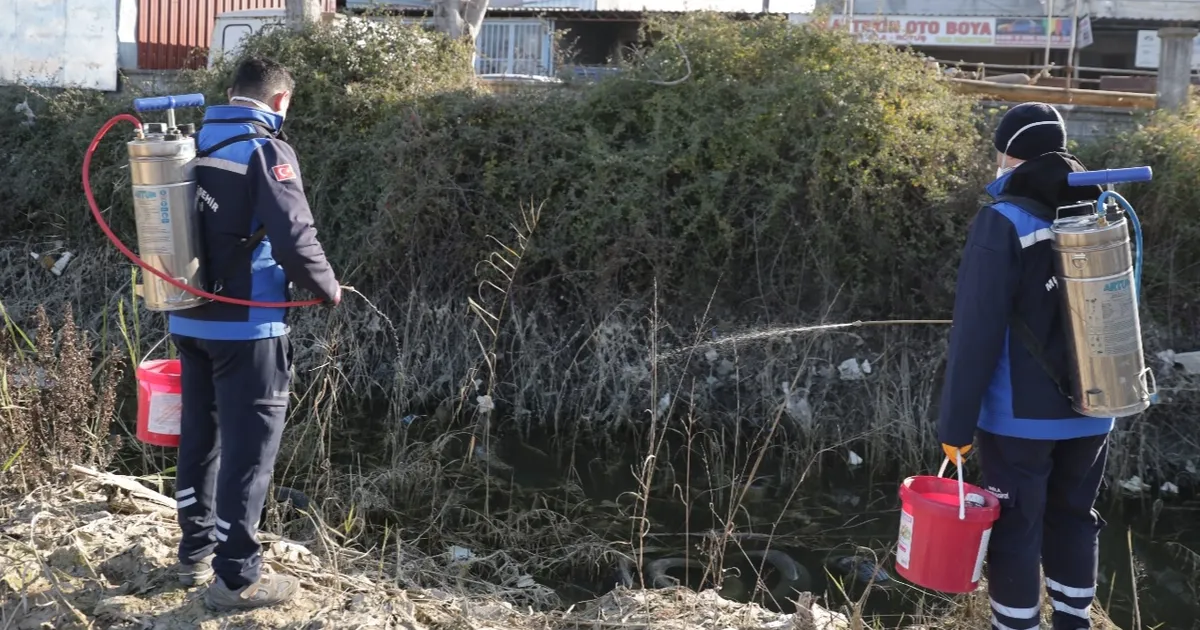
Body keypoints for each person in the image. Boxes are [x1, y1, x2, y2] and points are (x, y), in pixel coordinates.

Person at [170, 56, 342, 611]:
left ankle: (193, 553)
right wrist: (327, 288)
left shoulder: (186, 144)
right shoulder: (266, 149)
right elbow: (294, 236)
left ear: (228, 92)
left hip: (186, 316)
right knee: (249, 454)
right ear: (280, 101)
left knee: (200, 438)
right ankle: (238, 579)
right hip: (247, 325)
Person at [937, 102, 1110, 630]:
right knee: (1074, 517)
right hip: (1096, 405)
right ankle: (1074, 622)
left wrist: (954, 427)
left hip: (1019, 418)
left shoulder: (1002, 221)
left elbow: (975, 334)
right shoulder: (1100, 212)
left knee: (1015, 526)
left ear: (1010, 153)